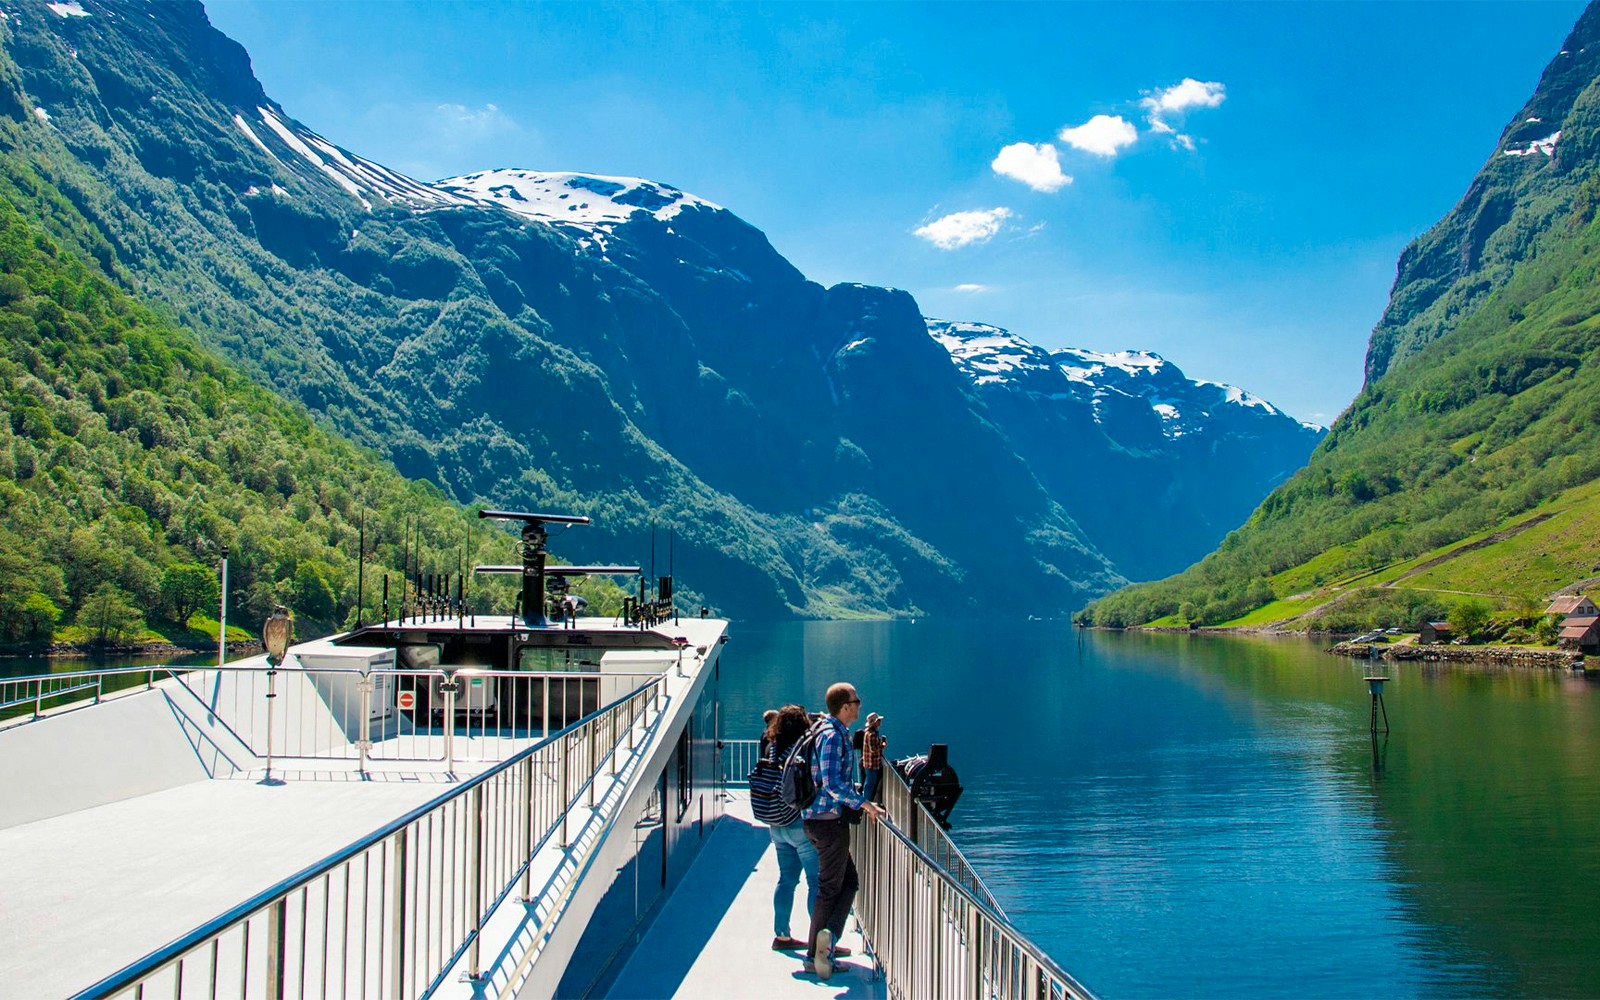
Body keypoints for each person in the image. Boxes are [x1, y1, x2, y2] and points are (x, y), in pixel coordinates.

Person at [803, 682, 886, 980]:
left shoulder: (832, 733)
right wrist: (866, 805)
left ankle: (827, 941)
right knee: (829, 888)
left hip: (821, 820)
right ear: (844, 706)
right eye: (856, 701)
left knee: (848, 882)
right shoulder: (832, 737)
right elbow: (832, 784)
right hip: (827, 822)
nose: (860, 706)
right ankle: (816, 955)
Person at [859, 712, 886, 803]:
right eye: (878, 720)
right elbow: (873, 749)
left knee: (869, 783)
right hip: (872, 764)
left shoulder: (867, 732)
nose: (880, 722)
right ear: (874, 722)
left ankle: (866, 801)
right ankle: (866, 802)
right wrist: (882, 745)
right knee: (870, 784)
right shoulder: (872, 734)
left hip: (867, 762)